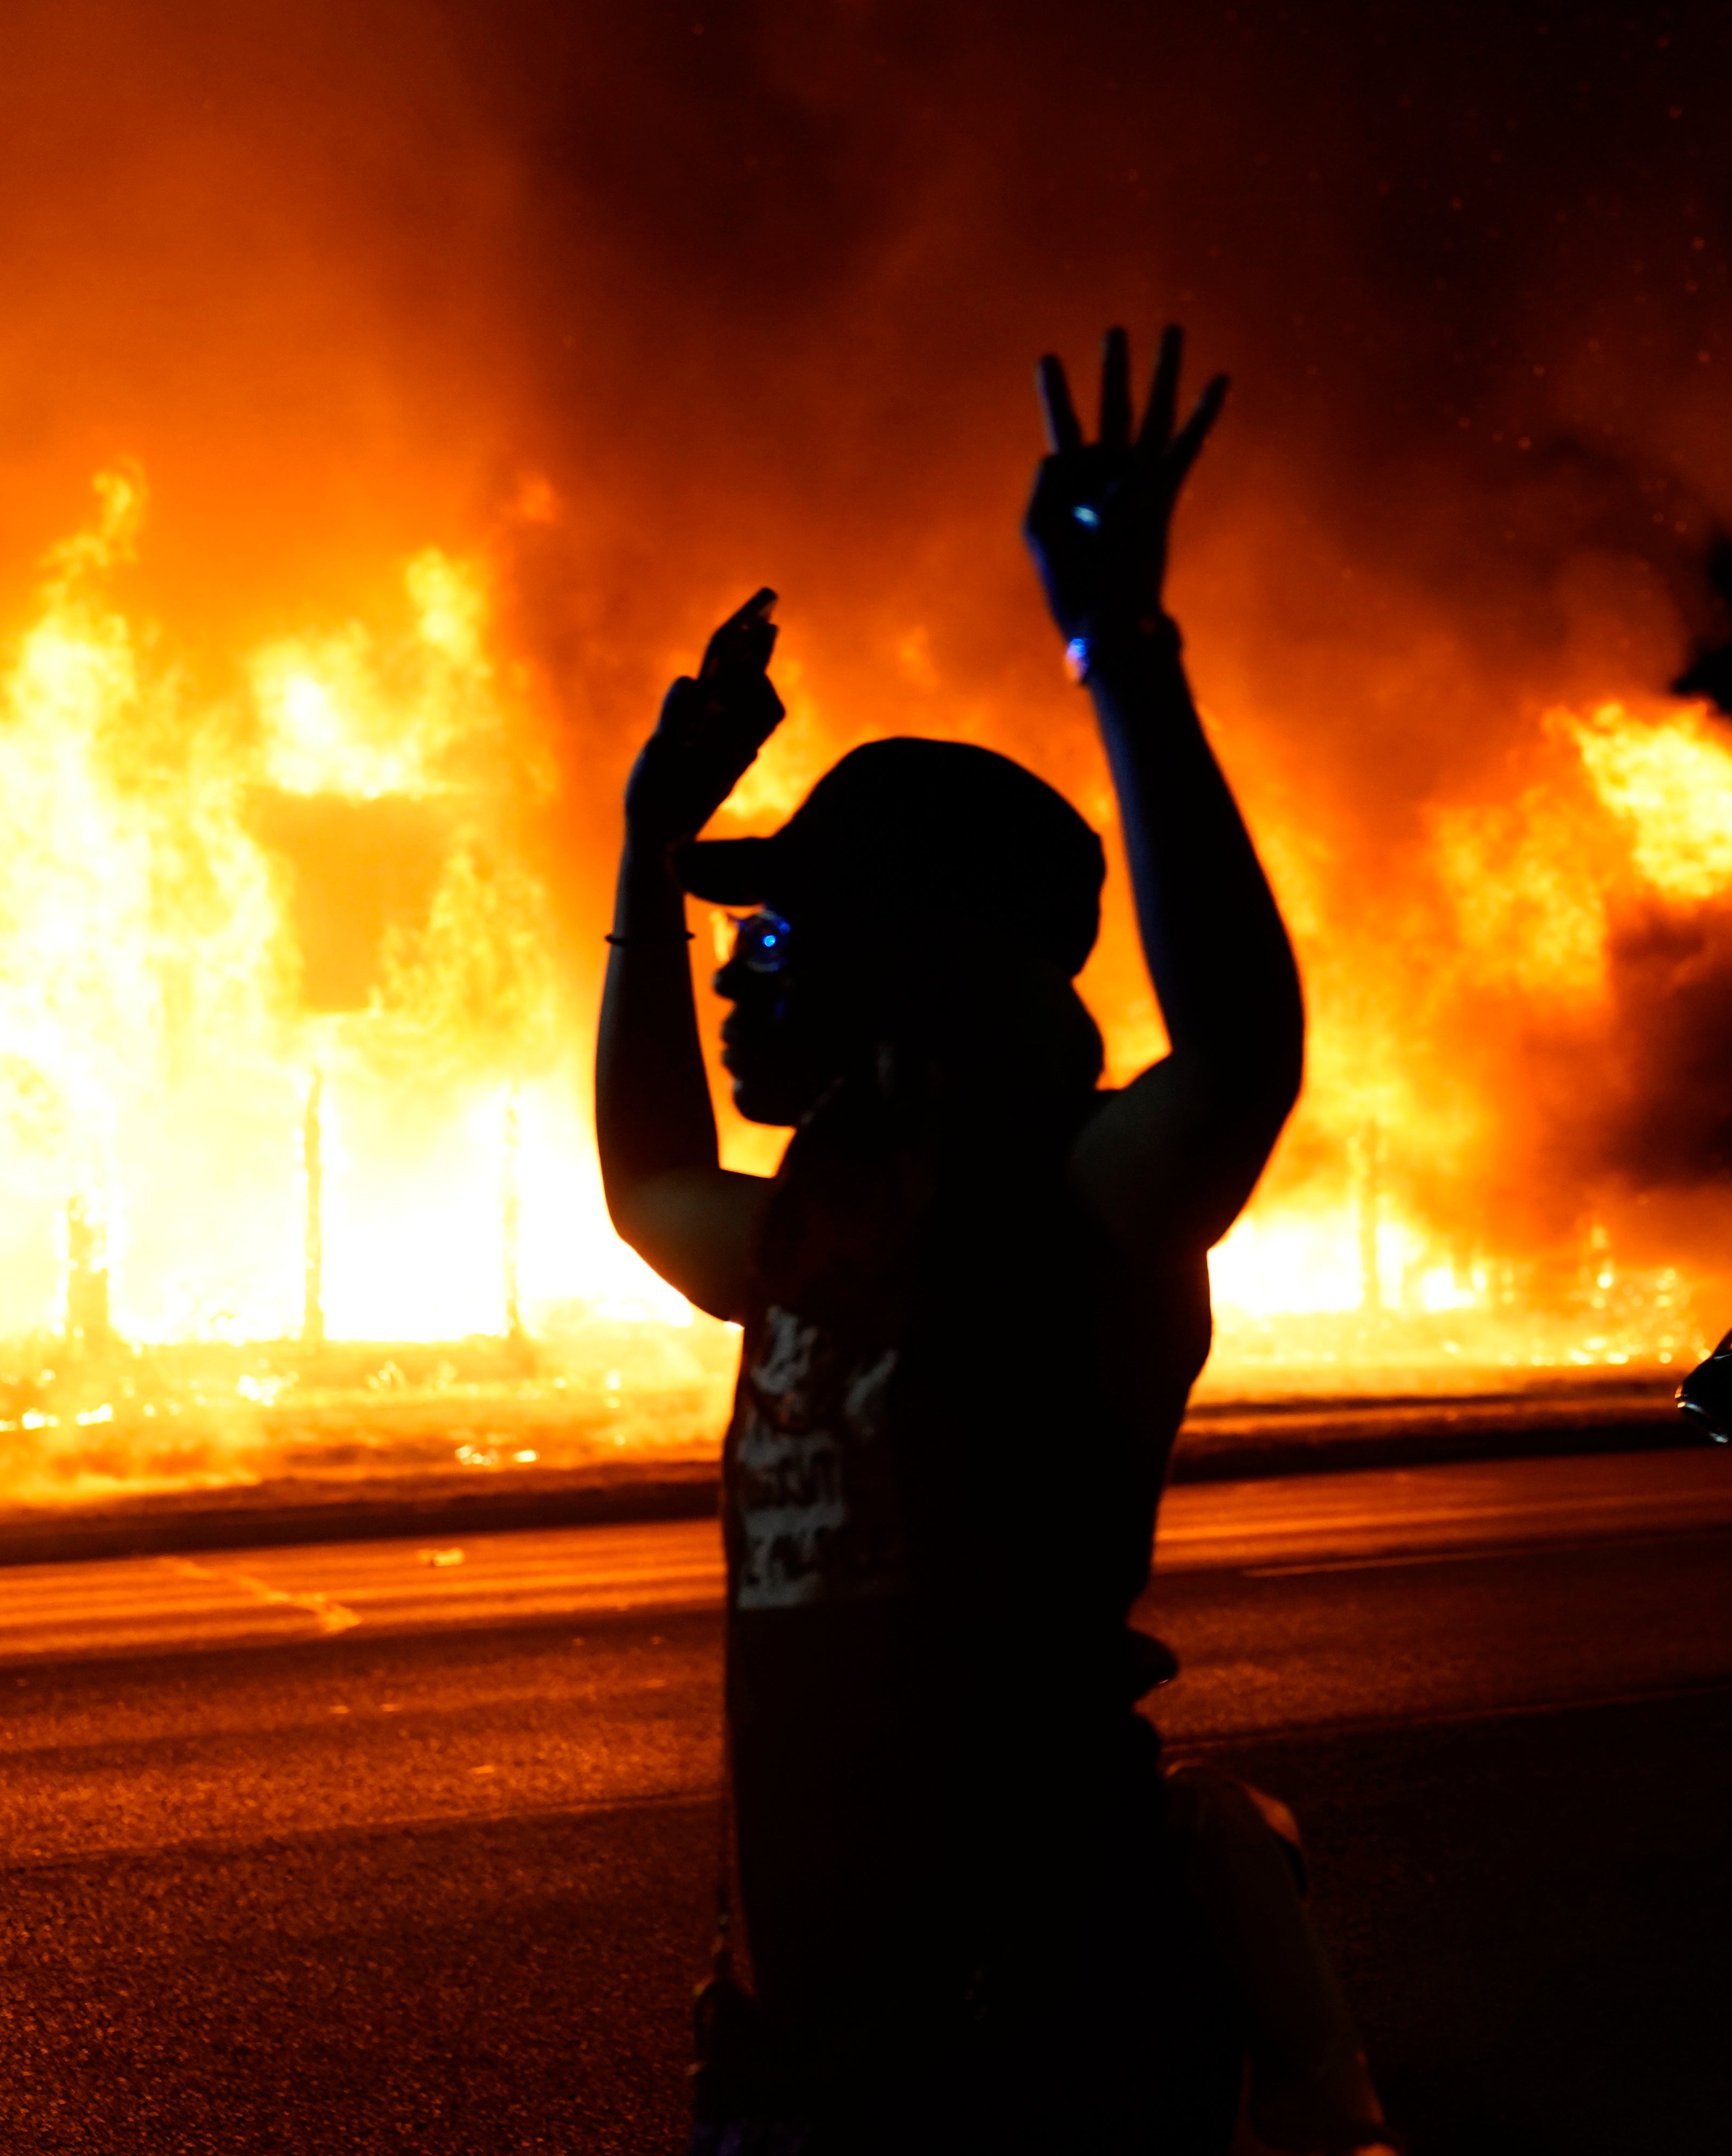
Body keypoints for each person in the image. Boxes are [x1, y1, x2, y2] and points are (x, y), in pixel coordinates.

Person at [596, 327, 1315, 2151]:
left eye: (785, 927)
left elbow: (1238, 1052)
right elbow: (649, 1191)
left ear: (923, 959)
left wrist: (1121, 645)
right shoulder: (835, 1220)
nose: (745, 962)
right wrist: (641, 851)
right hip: (805, 2043)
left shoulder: (1076, 1206)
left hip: (1027, 2047)